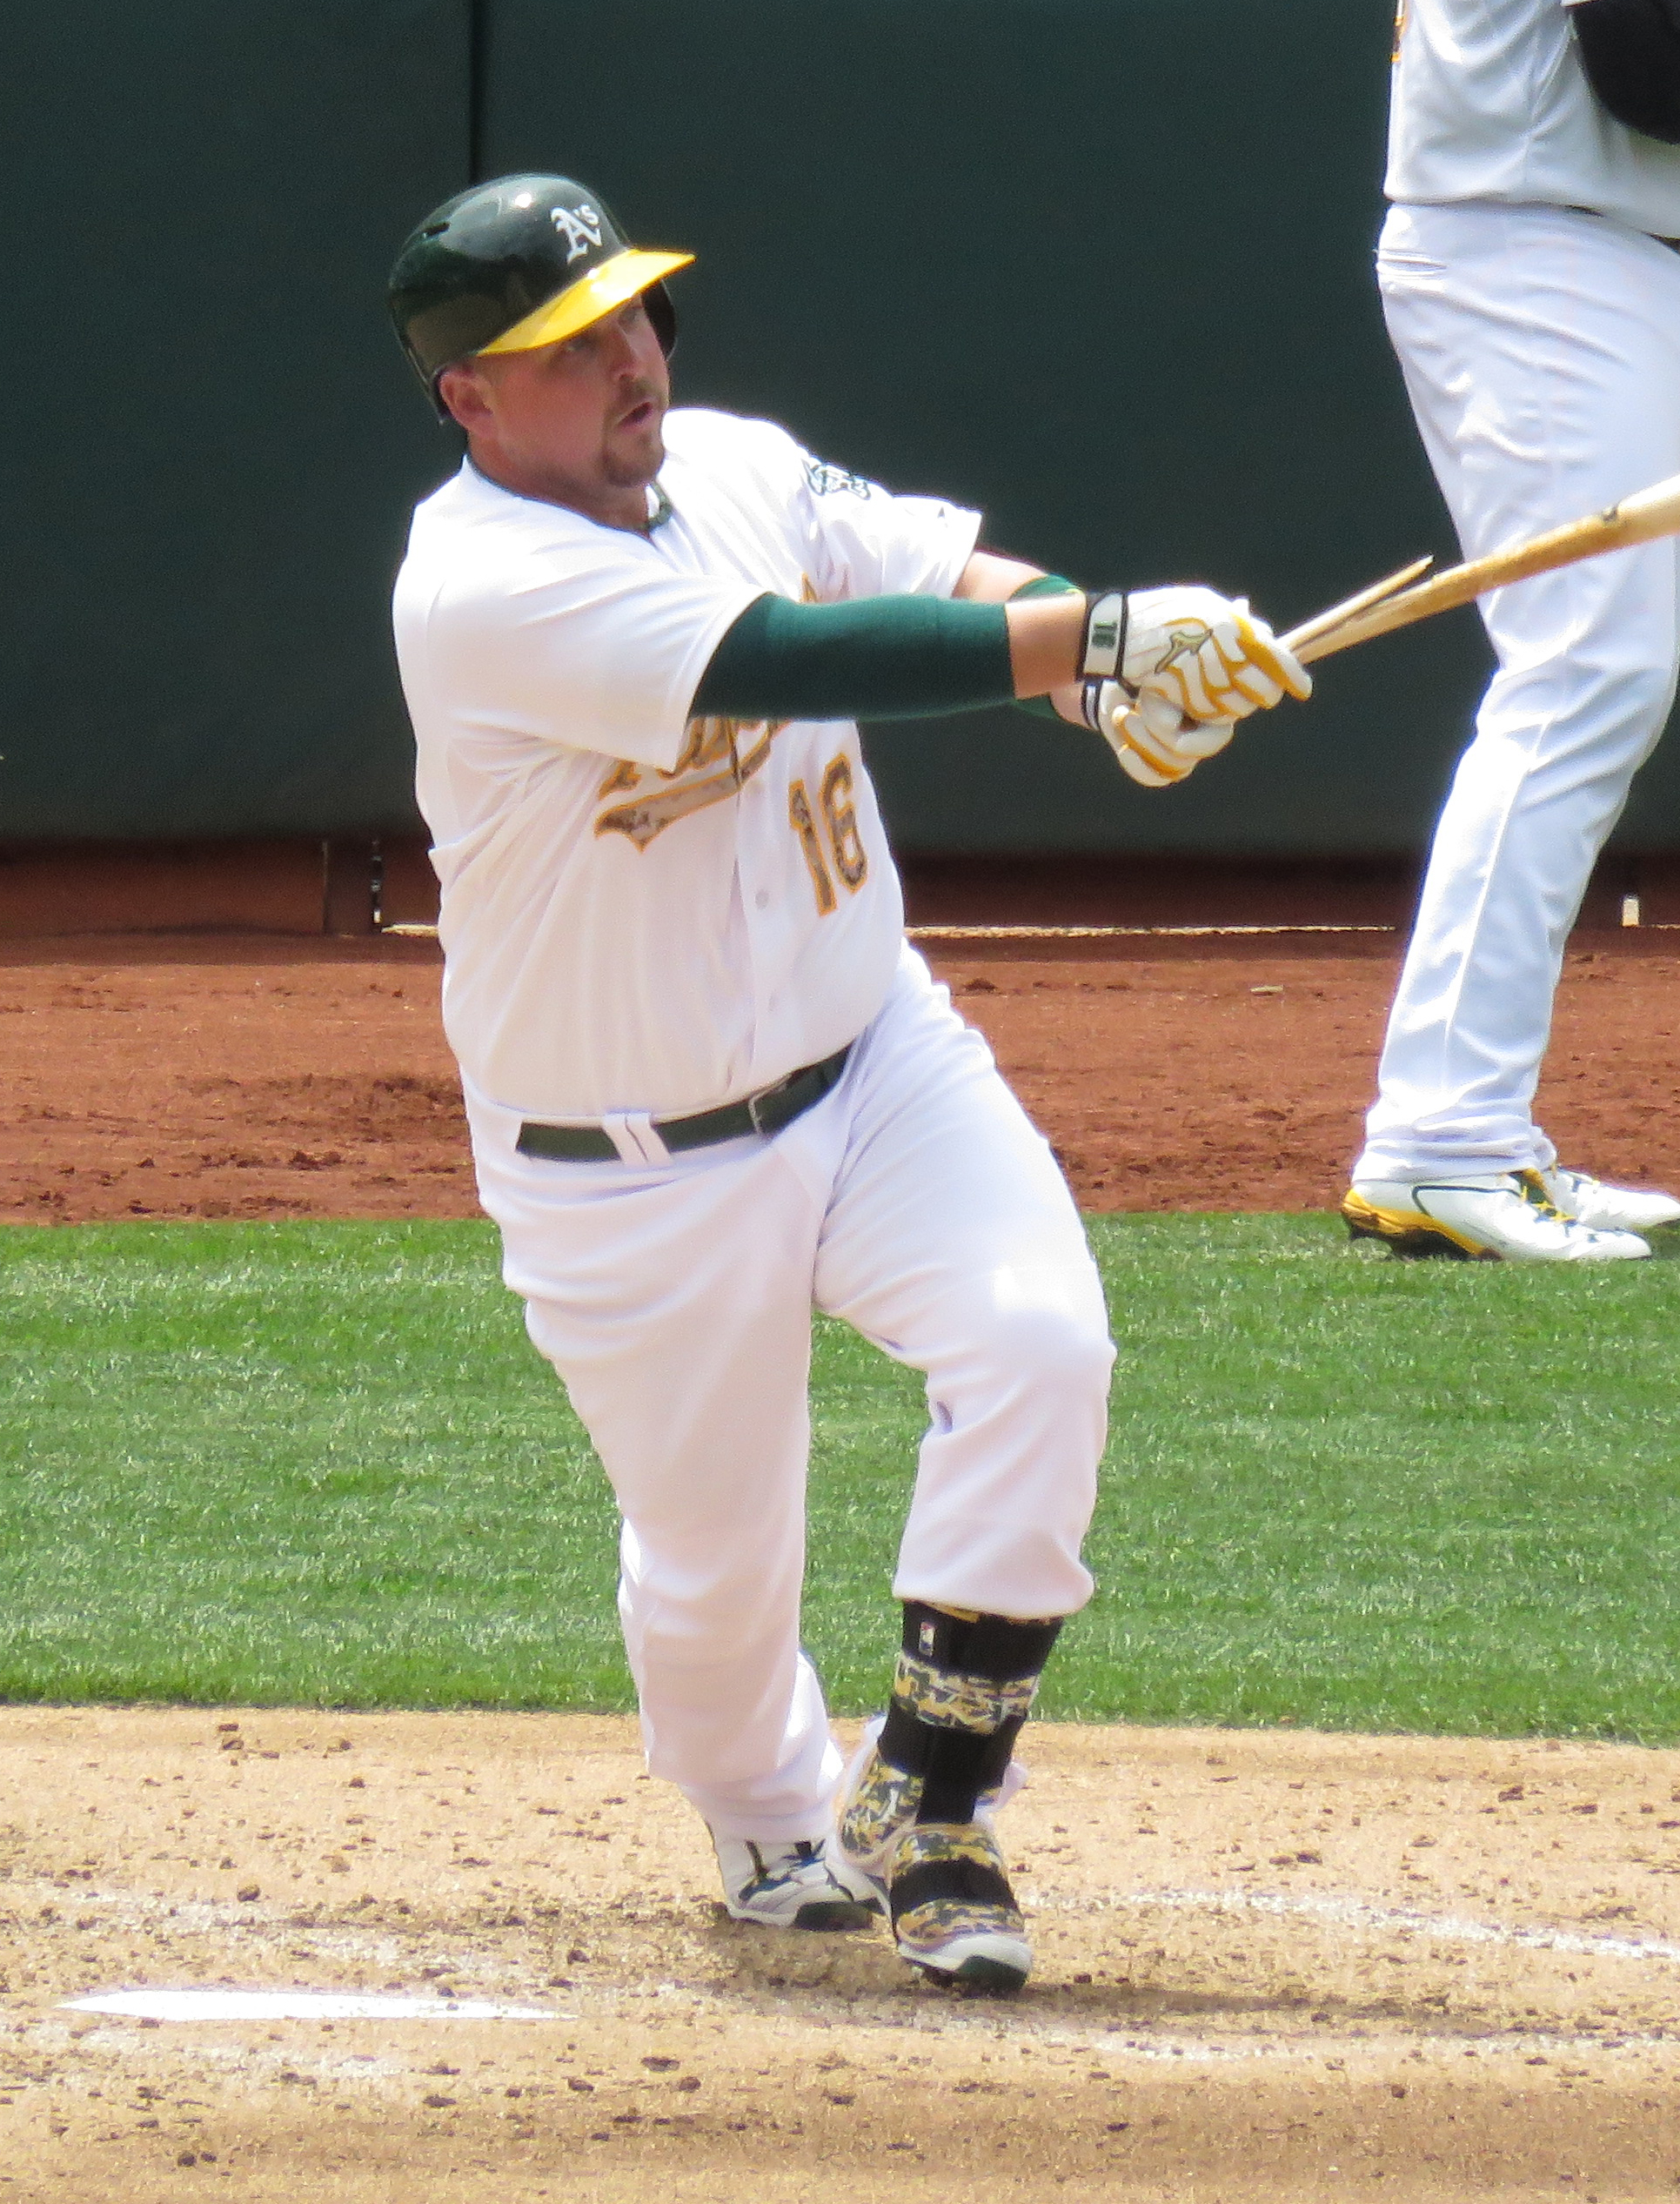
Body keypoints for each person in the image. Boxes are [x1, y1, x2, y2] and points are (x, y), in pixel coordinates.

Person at [385, 172, 1309, 1992]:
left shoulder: (734, 461)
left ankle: (935, 1800)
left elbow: (924, 574)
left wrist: (1080, 663)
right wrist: (1098, 637)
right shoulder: (479, 584)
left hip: (871, 1046)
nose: (630, 358)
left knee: (1041, 1342)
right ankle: (762, 1808)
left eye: (636, 315)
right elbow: (787, 655)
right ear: (469, 399)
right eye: (568, 347)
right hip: (622, 1159)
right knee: (714, 1564)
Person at [1345, 0, 1680, 1262]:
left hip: (1570, 248)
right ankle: (1440, 1143)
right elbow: (1654, 53)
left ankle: (1472, 1136)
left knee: (1590, 685)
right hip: (1539, 255)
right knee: (1580, 681)